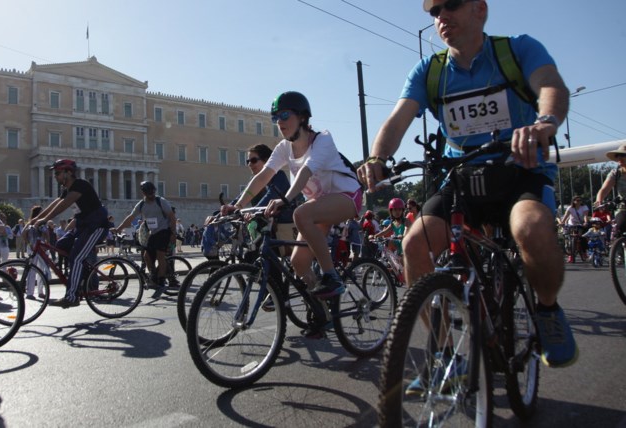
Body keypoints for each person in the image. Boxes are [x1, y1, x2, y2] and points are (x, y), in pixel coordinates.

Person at [358, 0, 577, 370]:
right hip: (462, 177)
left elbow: (551, 87)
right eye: (434, 11)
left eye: (452, 5)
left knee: (532, 228)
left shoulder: (517, 49)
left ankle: (548, 309)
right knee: (414, 245)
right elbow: (396, 122)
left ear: (479, 9)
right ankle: (445, 353)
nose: (441, 16)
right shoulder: (430, 72)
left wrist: (544, 123)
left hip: (518, 171)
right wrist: (377, 158)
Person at [222, 91, 361, 313]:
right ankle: (322, 311)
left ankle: (331, 277)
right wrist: (238, 205)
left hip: (347, 197)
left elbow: (306, 171)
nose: (280, 122)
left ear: (303, 117)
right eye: (275, 118)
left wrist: (286, 199)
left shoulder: (322, 139)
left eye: (285, 115)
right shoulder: (284, 148)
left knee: (301, 213)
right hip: (318, 206)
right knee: (298, 263)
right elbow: (263, 176)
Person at [28, 159, 109, 308]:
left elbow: (63, 205)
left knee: (76, 258)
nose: (55, 176)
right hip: (83, 227)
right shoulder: (67, 189)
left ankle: (72, 297)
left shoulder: (80, 185)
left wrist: (45, 219)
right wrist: (35, 219)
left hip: (96, 226)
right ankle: (80, 278)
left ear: (68, 173)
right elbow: (56, 202)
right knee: (61, 244)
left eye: (58, 173)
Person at [114, 181, 177, 289]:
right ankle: (154, 275)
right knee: (146, 256)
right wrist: (119, 228)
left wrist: (173, 233)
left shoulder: (161, 201)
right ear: (144, 193)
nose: (151, 195)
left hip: (164, 230)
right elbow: (131, 217)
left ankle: (161, 280)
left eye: (153, 193)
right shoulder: (141, 204)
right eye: (149, 193)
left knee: (160, 255)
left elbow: (171, 217)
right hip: (153, 233)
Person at [595, 144, 626, 239]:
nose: (619, 158)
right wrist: (599, 201)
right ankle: (620, 251)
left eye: (623, 155)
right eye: (617, 156)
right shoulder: (615, 173)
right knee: (619, 228)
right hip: (623, 207)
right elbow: (604, 189)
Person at [559, 196, 589, 263]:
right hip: (571, 224)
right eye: (577, 200)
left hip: (581, 224)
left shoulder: (584, 207)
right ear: (573, 201)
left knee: (582, 237)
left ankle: (584, 252)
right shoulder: (570, 208)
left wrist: (586, 222)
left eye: (580, 200)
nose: (579, 202)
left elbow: (585, 216)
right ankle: (570, 255)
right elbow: (566, 216)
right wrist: (562, 222)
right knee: (569, 238)